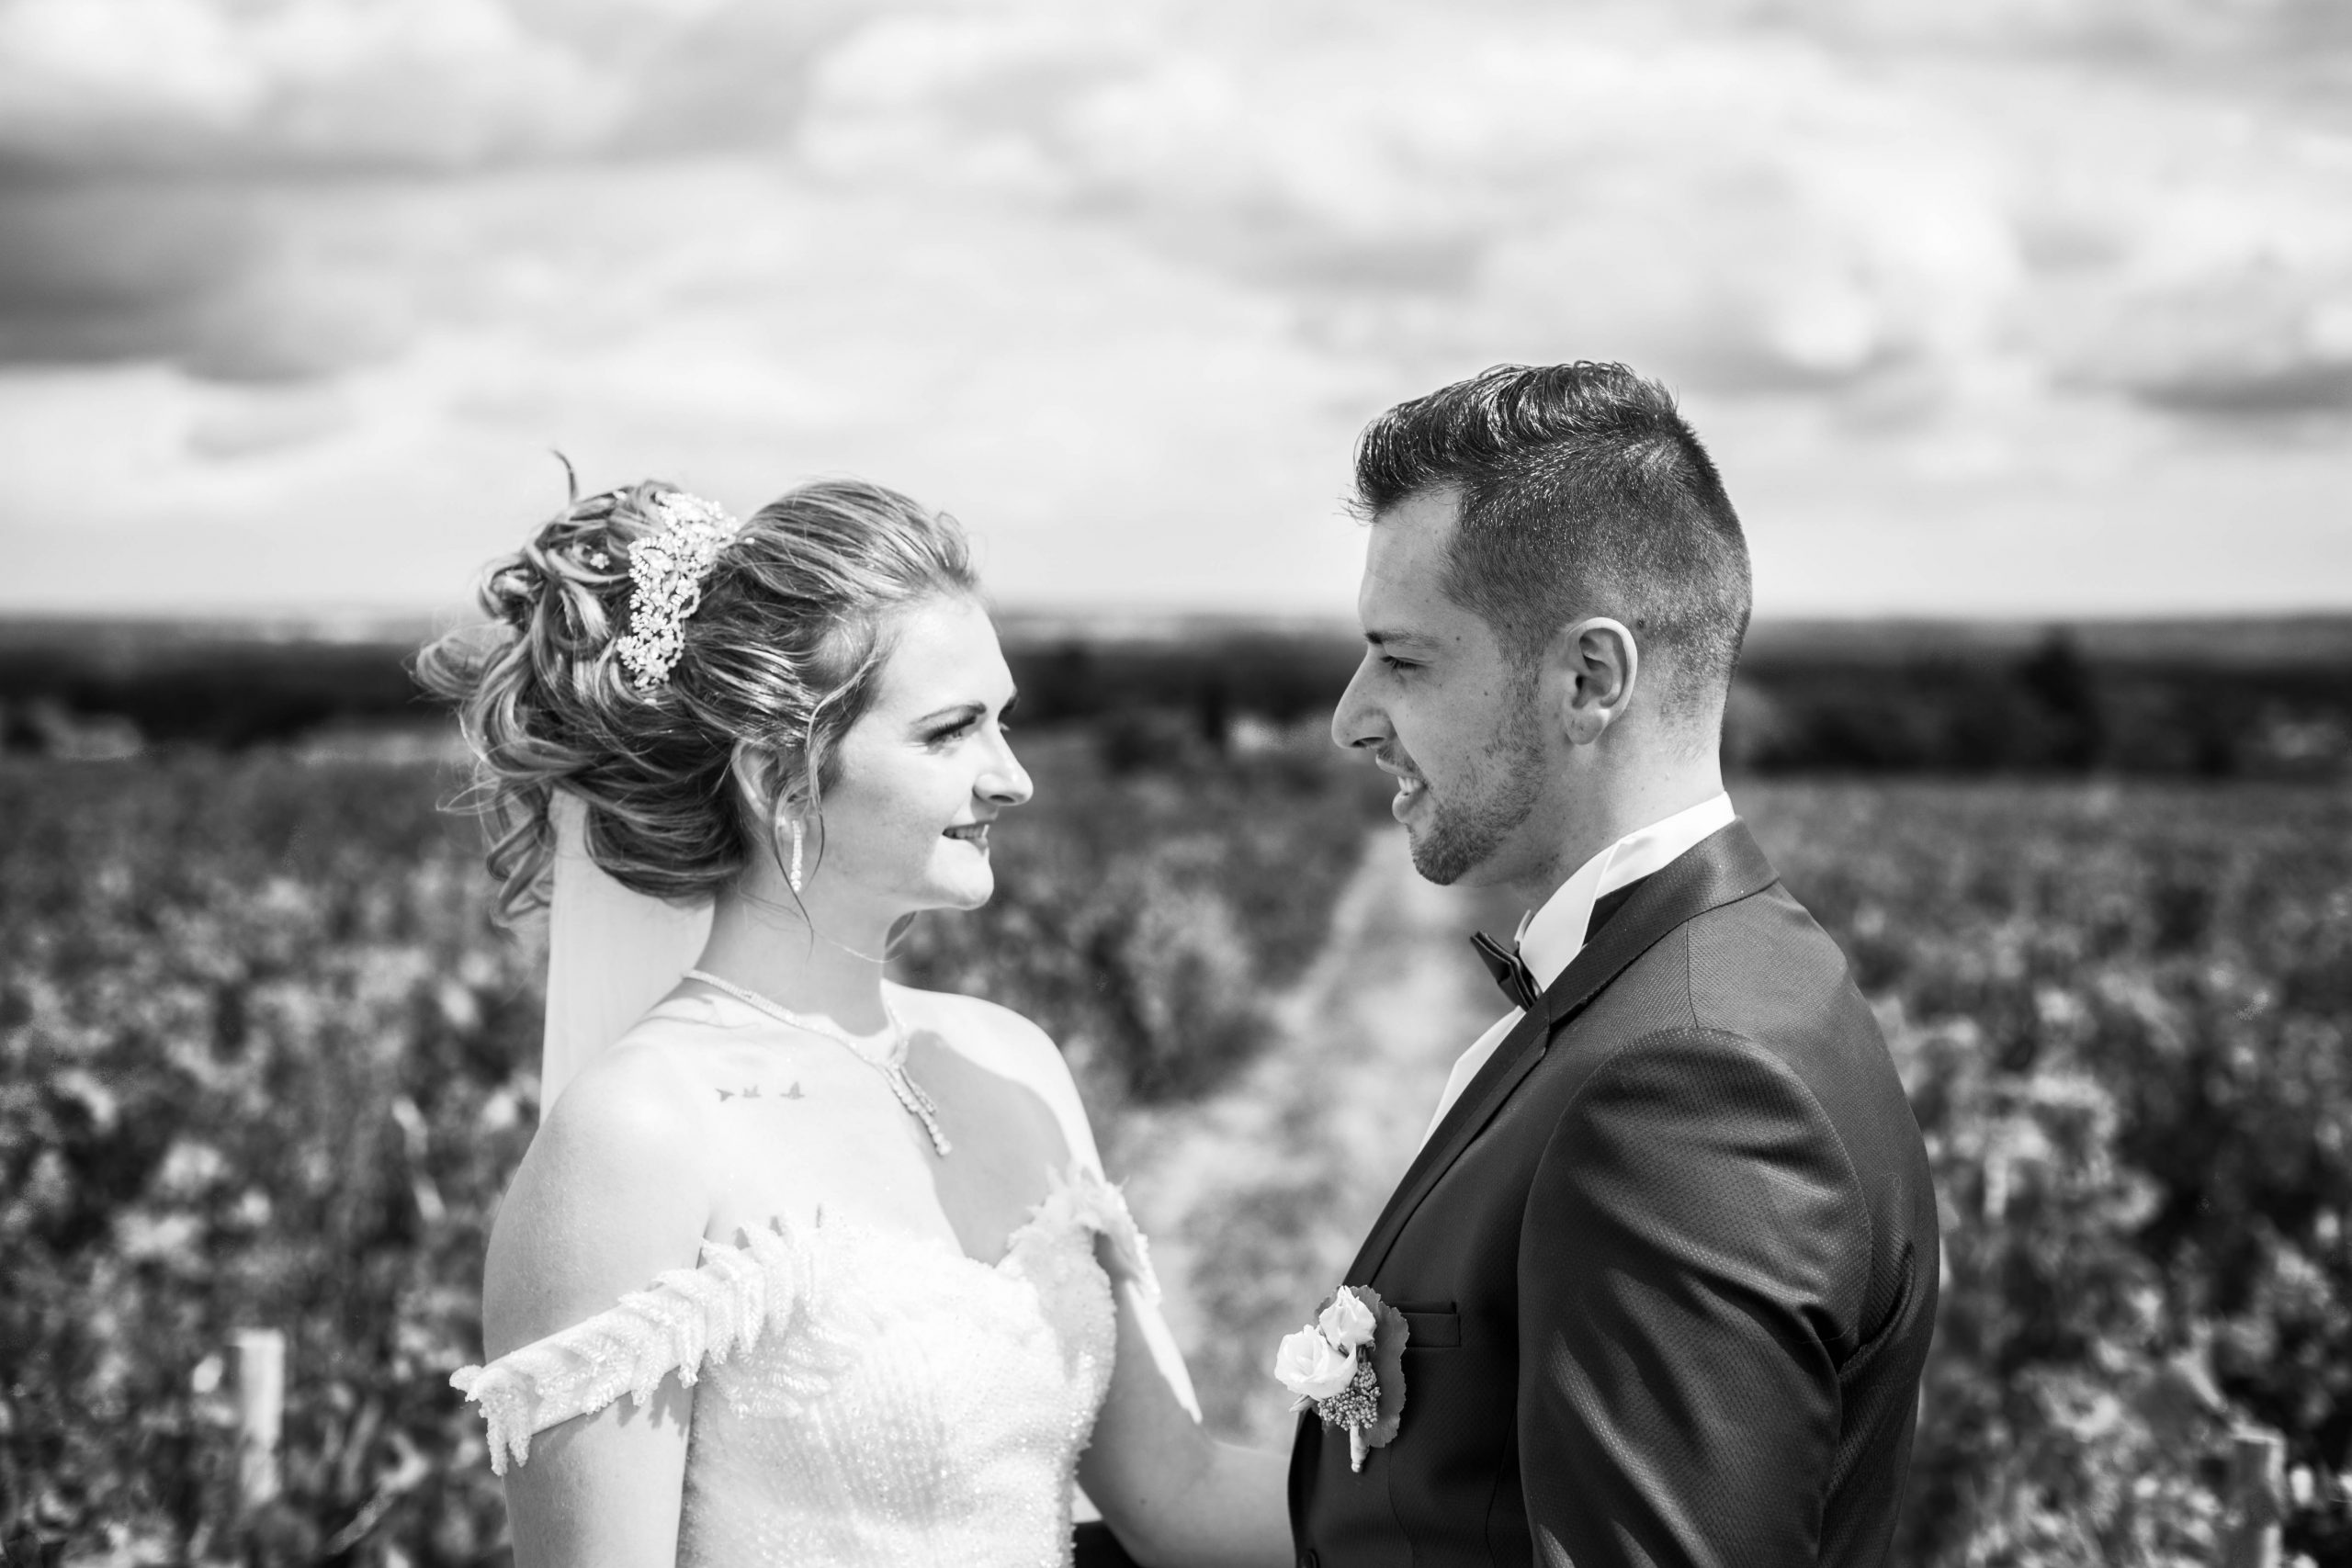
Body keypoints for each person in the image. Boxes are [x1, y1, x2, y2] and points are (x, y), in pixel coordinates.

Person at [418, 477, 1290, 1567]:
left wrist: (1470, 1496)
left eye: (1003, 721)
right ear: (777, 775)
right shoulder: (640, 1135)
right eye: (950, 732)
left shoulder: (1010, 1057)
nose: (1013, 779)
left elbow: (1183, 1496)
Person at [1293, 364, 1939, 1567]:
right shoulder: (1694, 983)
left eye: (1403, 659)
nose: (1351, 716)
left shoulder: (1689, 1088)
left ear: (1590, 679)